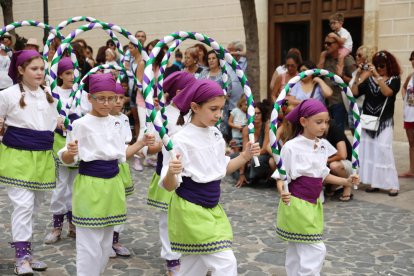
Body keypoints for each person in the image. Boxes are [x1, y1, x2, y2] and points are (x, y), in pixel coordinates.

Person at [160, 79, 260, 276]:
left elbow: (222, 169)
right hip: (191, 210)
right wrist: (172, 171)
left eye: (221, 109)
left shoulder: (215, 134)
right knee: (225, 263)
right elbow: (168, 185)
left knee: (193, 266)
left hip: (212, 208)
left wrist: (245, 156)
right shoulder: (180, 140)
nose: (218, 114)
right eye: (213, 109)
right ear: (195, 107)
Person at [58, 73, 154, 276]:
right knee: (88, 243)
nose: (106, 103)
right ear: (89, 98)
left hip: (113, 184)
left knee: (105, 242)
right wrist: (70, 153)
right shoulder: (80, 124)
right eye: (100, 98)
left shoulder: (118, 122)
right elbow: (67, 158)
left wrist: (141, 143)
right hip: (90, 185)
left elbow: (121, 155)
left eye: (111, 98)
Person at [275, 99, 360, 276]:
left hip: (314, 203)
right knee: (315, 248)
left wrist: (346, 182)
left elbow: (322, 174)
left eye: (326, 122)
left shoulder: (322, 146)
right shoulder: (291, 147)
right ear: (304, 121)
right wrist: (283, 191)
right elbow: (281, 177)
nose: (324, 127)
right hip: (297, 204)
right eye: (319, 122)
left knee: (297, 249)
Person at [0, 50, 58, 275]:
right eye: (34, 68)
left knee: (33, 207)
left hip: (42, 156)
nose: (40, 73)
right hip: (18, 156)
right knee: (22, 205)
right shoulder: (8, 94)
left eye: (42, 68)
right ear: (21, 70)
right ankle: (21, 257)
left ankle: (26, 250)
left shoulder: (48, 94)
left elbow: (50, 122)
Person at [146, 71, 196, 275]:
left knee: (189, 216)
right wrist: (161, 144)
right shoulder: (161, 115)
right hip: (168, 172)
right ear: (179, 92)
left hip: (191, 174)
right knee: (167, 218)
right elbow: (147, 148)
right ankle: (172, 259)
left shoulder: (194, 113)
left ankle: (192, 256)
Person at [351, 50, 401, 196]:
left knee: (384, 150)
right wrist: (359, 75)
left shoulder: (394, 79)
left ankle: (392, 184)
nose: (379, 68)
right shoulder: (369, 80)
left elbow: (387, 92)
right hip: (368, 120)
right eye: (377, 65)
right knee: (370, 151)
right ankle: (374, 182)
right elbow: (354, 92)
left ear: (389, 65)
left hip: (384, 121)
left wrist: (377, 76)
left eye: (382, 65)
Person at [44, 57, 78, 244]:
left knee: (75, 185)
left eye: (73, 72)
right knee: (60, 185)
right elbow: (47, 115)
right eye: (67, 73)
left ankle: (73, 224)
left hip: (77, 143)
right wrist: (56, 122)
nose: (71, 76)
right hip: (59, 142)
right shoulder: (53, 93)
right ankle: (57, 226)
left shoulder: (81, 93)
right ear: (60, 75)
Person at [110, 83, 134, 258]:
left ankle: (115, 240)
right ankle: (104, 241)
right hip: (107, 166)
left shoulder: (124, 119)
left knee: (120, 203)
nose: (118, 102)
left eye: (121, 98)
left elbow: (127, 143)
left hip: (122, 165)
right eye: (115, 98)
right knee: (107, 203)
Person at [322, 32, 355, 132]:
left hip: (339, 101)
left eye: (329, 43)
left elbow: (355, 81)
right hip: (326, 102)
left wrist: (341, 76)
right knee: (327, 132)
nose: (326, 46)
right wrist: (321, 59)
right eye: (325, 43)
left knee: (338, 132)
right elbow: (316, 74)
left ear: (338, 44)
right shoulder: (326, 58)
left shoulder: (347, 59)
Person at [235, 101, 273, 188]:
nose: (256, 115)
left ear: (262, 114)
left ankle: (261, 177)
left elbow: (264, 149)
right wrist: (241, 173)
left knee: (256, 160)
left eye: (258, 113)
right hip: (250, 155)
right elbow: (244, 150)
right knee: (233, 158)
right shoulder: (246, 129)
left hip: (264, 155)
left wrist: (250, 156)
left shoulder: (266, 126)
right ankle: (245, 176)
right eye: (254, 113)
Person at [199, 50, 232, 140]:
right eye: (209, 59)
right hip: (204, 107)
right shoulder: (204, 73)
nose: (211, 60)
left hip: (219, 108)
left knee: (218, 134)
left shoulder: (224, 74)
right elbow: (197, 87)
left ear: (218, 60)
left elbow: (228, 93)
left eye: (213, 58)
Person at [346, 45, 377, 133]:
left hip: (362, 108)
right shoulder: (357, 72)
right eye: (356, 55)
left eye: (359, 55)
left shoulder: (370, 73)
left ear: (367, 57)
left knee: (361, 136)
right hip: (352, 106)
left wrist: (358, 76)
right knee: (354, 135)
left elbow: (355, 91)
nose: (356, 57)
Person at [324, 120, 354, 201]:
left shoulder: (335, 129)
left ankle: (347, 185)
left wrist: (326, 160)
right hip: (328, 162)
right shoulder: (314, 131)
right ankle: (333, 184)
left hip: (347, 162)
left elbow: (343, 155)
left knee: (334, 166)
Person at [399, 50, 414, 178]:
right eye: (412, 58)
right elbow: (403, 88)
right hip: (409, 115)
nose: (413, 61)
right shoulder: (410, 76)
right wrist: (404, 98)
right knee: (411, 143)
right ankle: (411, 170)